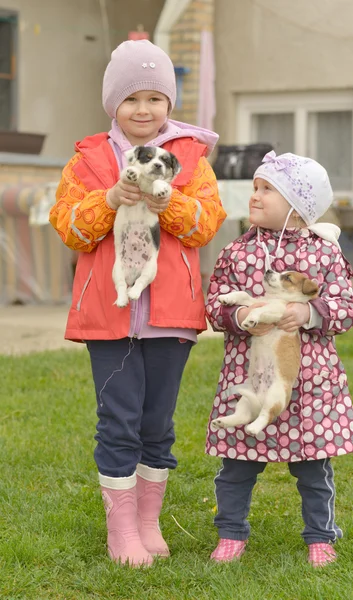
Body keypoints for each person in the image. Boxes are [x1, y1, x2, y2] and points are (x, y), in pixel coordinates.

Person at [49, 39, 226, 568]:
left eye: (155, 98)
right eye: (131, 99)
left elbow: (205, 225)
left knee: (158, 423)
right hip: (108, 315)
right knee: (118, 420)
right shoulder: (87, 161)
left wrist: (167, 199)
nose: (143, 110)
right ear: (113, 104)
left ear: (169, 104)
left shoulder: (190, 159)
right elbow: (70, 228)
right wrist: (105, 201)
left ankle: (148, 521)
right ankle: (120, 528)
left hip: (171, 318)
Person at [205, 150, 353, 567]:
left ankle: (320, 537)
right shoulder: (237, 251)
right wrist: (238, 316)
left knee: (313, 468)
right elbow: (215, 303)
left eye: (267, 189)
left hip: (309, 383)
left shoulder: (324, 253)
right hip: (250, 374)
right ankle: (231, 533)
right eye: (255, 187)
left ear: (296, 207)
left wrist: (308, 313)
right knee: (236, 464)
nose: (254, 196)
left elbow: (346, 307)